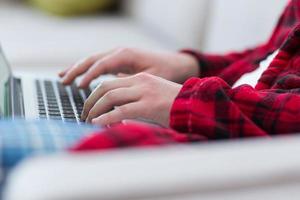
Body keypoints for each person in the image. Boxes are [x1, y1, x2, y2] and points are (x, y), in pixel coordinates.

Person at [56, 0, 300, 150]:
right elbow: (270, 56)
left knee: (93, 146)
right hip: (217, 119)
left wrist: (186, 101)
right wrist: (190, 65)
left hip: (233, 152)